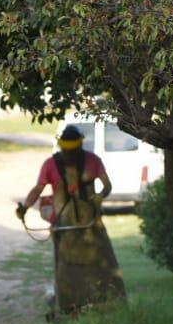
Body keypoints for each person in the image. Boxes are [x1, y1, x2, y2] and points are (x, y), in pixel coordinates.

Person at [16, 123, 127, 314]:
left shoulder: (93, 161)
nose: (70, 155)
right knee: (66, 267)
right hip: (63, 226)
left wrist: (101, 195)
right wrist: (25, 207)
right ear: (61, 147)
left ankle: (107, 302)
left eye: (73, 150)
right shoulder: (50, 164)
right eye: (67, 151)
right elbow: (38, 188)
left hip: (91, 223)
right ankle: (69, 306)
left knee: (101, 265)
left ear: (79, 146)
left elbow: (107, 185)